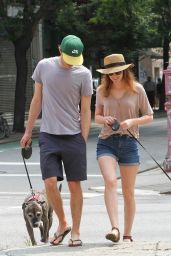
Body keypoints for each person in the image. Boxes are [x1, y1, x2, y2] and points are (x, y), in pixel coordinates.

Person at [20, 35, 93, 247]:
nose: (72, 64)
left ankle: (76, 231)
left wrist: (83, 137)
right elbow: (37, 99)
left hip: (73, 136)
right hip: (48, 135)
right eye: (69, 58)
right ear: (60, 49)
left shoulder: (84, 74)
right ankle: (62, 223)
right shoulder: (44, 66)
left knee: (74, 185)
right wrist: (27, 132)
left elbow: (86, 109)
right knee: (50, 183)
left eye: (75, 60)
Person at [95, 54, 153, 243]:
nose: (114, 76)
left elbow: (149, 116)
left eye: (118, 72)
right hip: (106, 141)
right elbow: (96, 116)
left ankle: (127, 235)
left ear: (125, 71)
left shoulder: (137, 90)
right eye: (110, 73)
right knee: (110, 181)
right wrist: (105, 120)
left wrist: (132, 121)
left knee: (128, 191)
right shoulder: (102, 90)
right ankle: (115, 228)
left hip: (129, 142)